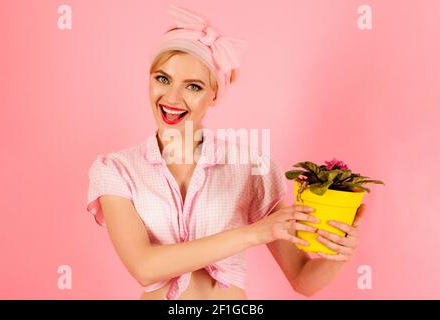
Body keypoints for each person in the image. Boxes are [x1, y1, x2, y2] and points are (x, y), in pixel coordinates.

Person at [86, 4, 366, 300]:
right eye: (162, 78)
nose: (171, 98)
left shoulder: (250, 167)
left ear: (214, 94)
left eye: (193, 86)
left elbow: (303, 281)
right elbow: (144, 266)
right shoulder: (114, 170)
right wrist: (256, 232)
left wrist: (338, 254)